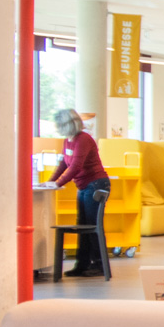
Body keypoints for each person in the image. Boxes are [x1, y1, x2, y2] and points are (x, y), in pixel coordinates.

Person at [49, 108, 110, 277]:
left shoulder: (83, 139)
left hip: (96, 184)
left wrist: (58, 183)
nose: (58, 128)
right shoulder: (68, 141)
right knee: (82, 225)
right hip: (84, 186)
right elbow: (64, 163)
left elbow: (76, 166)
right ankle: (82, 265)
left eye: (60, 125)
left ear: (68, 124)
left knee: (92, 226)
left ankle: (98, 265)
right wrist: (50, 181)